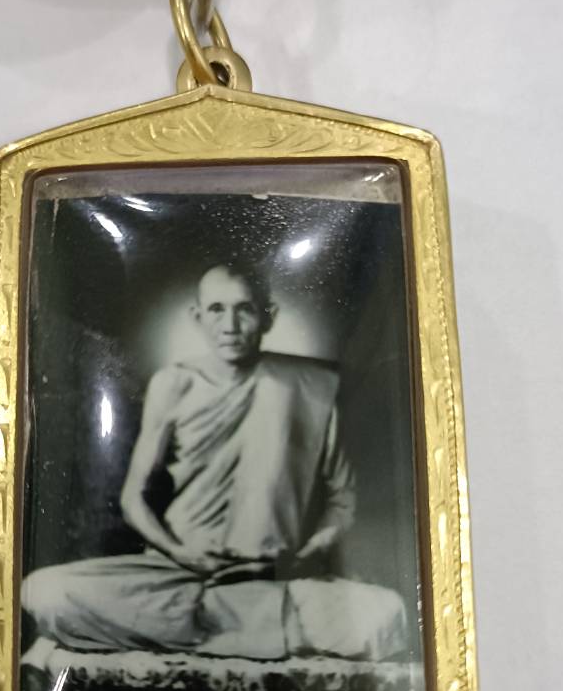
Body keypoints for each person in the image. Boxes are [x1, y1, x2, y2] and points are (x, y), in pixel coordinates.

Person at [21, 261, 408, 664]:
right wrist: (181, 553)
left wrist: (305, 553)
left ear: (268, 317)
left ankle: (207, 625)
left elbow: (342, 502)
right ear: (198, 317)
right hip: (179, 572)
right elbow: (134, 499)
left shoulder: (312, 387)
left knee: (385, 614)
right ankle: (250, 628)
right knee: (44, 591)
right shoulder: (174, 384)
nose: (230, 325)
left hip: (276, 576)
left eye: (245, 309)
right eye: (217, 310)